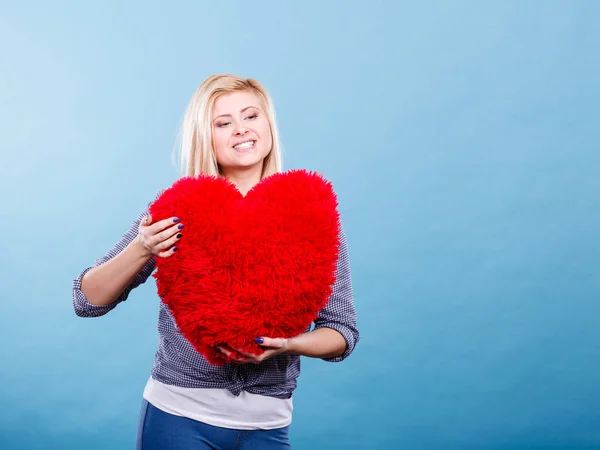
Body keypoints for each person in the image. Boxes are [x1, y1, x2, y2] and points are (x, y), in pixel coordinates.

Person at [72, 74, 359, 449]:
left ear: (268, 124)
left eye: (251, 116)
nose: (241, 130)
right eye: (223, 123)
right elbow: (86, 301)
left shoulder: (311, 212)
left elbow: (342, 332)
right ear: (205, 137)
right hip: (177, 418)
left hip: (269, 426)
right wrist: (142, 247)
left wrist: (288, 344)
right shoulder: (178, 208)